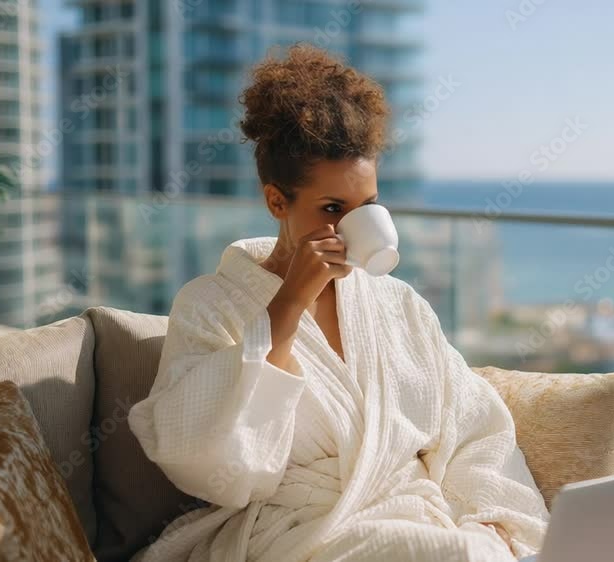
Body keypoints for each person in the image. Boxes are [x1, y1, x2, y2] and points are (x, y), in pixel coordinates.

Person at [127, 43, 549, 562]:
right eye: (332, 208)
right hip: (299, 533)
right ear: (277, 201)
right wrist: (287, 306)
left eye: (367, 206)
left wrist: (492, 523)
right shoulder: (209, 306)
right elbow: (202, 457)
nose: (352, 225)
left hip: (415, 519)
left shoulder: (398, 305)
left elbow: (475, 428)